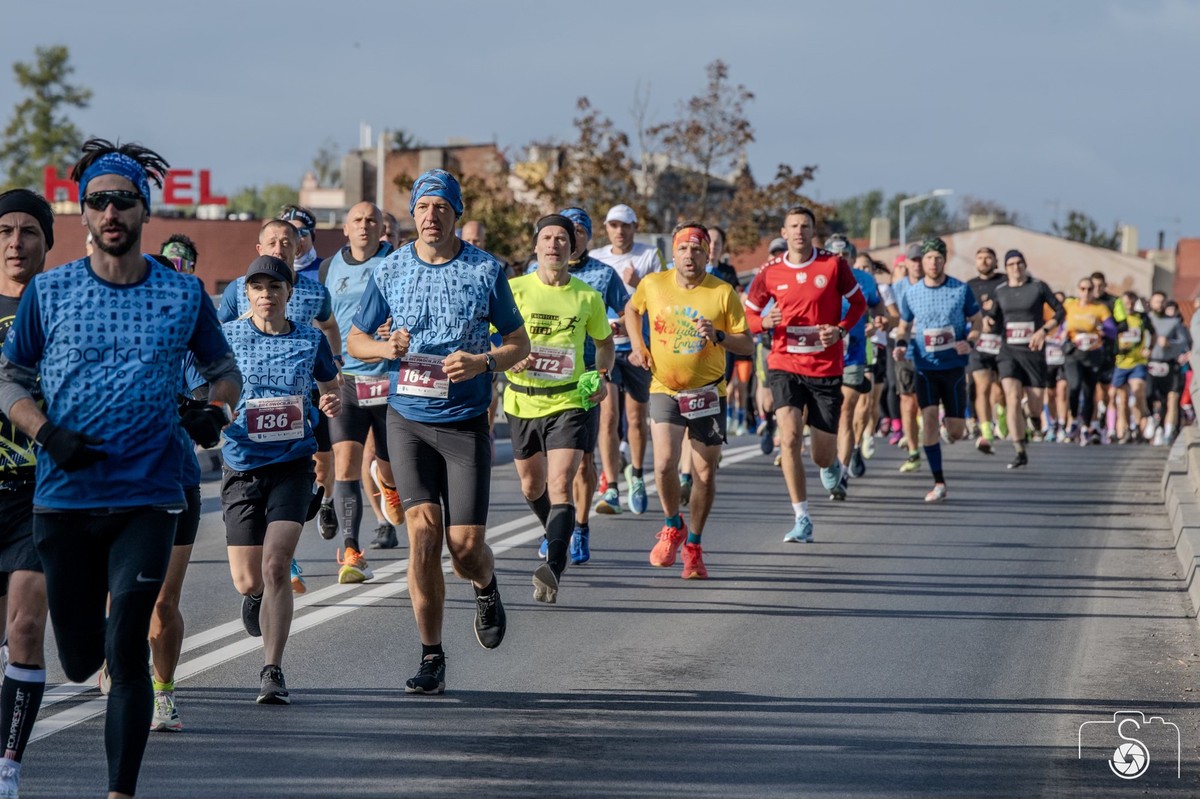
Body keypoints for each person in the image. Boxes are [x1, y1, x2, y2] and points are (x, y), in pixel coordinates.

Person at [0, 139, 241, 799]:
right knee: (79, 659)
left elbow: (225, 375)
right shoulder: (49, 293)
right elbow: (10, 381)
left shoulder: (183, 293)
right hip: (64, 495)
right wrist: (47, 431)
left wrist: (210, 410)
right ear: (83, 213)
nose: (111, 210)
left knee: (126, 645)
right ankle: (84, 660)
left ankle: (120, 791)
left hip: (149, 493)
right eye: (99, 200)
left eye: (124, 200)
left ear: (144, 209)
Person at [348, 169, 530, 694]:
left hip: (465, 422)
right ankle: (431, 654)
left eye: (441, 208)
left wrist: (483, 362)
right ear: (413, 213)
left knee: (465, 547)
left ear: (456, 213)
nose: (431, 217)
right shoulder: (390, 270)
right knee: (423, 536)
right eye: (423, 208)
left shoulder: (485, 270)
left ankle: (486, 585)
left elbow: (519, 345)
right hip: (406, 418)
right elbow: (357, 341)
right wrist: (387, 350)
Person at [222, 255, 341, 704]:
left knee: (277, 567)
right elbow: (208, 385)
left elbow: (332, 385)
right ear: (245, 295)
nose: (266, 295)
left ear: (289, 294)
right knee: (247, 579)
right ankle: (255, 597)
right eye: (257, 288)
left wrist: (330, 403)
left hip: (292, 462)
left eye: (274, 288)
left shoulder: (310, 339)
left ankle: (272, 669)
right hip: (241, 464)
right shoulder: (227, 336)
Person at [219, 219, 341, 590]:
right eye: (271, 241)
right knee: (245, 581)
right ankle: (259, 588)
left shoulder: (313, 298)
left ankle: (321, 504)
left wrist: (331, 394)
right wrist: (219, 409)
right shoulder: (233, 313)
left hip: (296, 427)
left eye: (285, 241)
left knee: (322, 467)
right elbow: (211, 361)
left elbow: (329, 369)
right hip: (244, 450)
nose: (278, 246)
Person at [627, 223, 752, 577]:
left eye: (697, 250)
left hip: (708, 392)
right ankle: (672, 526)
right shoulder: (653, 284)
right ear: (673, 253)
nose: (690, 256)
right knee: (664, 463)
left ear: (707, 254)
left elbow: (747, 344)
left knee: (704, 474)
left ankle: (694, 545)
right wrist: (638, 345)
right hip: (665, 387)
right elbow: (632, 310)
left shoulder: (722, 293)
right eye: (683, 249)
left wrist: (720, 335)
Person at [744, 207, 866, 542]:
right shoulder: (770, 271)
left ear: (814, 232)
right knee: (790, 436)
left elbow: (858, 305)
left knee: (821, 453)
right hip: (785, 365)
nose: (799, 231)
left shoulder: (833, 264)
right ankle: (802, 517)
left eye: (806, 226)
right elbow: (750, 314)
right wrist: (764, 323)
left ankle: (830, 466)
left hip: (826, 367)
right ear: (784, 232)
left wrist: (840, 331)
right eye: (794, 226)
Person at [507, 215, 613, 600]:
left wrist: (602, 374)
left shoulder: (587, 296)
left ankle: (552, 564)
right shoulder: (514, 290)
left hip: (570, 400)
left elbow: (604, 344)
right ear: (536, 246)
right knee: (531, 485)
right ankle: (557, 533)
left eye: (562, 239)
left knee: (560, 482)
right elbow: (489, 339)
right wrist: (507, 356)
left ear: (574, 248)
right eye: (547, 238)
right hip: (521, 400)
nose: (554, 245)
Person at [532, 207, 628, 565]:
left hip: (586, 373)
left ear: (582, 238)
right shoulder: (532, 272)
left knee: (580, 463)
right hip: (539, 381)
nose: (565, 240)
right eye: (557, 234)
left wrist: (629, 336)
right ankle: (556, 525)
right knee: (541, 472)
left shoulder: (602, 276)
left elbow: (628, 308)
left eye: (576, 232)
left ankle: (580, 528)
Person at [0, 190, 55, 798]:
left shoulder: (63, 306)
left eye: (28, 232)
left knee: (25, 627)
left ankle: (8, 767)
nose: (16, 242)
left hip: (41, 490)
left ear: (47, 242)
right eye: (5, 231)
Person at [316, 202, 402, 576]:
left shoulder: (399, 261)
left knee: (387, 465)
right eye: (357, 220)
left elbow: (415, 310)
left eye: (372, 220)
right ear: (345, 229)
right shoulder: (327, 268)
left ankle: (391, 484)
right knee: (347, 466)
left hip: (389, 378)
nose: (365, 225)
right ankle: (351, 549)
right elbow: (321, 322)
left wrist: (397, 326)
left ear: (382, 227)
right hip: (347, 380)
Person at [145, 234, 207, 732]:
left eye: (180, 269)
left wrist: (205, 407)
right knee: (124, 598)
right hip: (121, 484)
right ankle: (118, 657)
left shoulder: (191, 331)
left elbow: (212, 387)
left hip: (178, 478)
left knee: (165, 600)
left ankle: (163, 694)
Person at [892, 237, 982, 502]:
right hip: (924, 366)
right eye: (928, 258)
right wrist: (900, 344)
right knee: (928, 416)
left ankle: (950, 427)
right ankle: (939, 482)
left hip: (953, 367)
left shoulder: (960, 289)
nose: (932, 263)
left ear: (945, 260)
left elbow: (977, 320)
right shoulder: (912, 292)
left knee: (956, 432)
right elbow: (904, 325)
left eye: (938, 258)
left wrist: (971, 340)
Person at [589, 203, 663, 516]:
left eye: (626, 226)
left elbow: (660, 300)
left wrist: (635, 285)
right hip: (605, 346)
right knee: (607, 416)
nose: (620, 231)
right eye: (614, 226)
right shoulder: (596, 258)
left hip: (636, 347)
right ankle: (612, 486)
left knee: (635, 418)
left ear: (634, 228)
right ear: (606, 228)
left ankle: (635, 472)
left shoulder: (649, 256)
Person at [988, 250, 1065, 467]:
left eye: (1019, 263)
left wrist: (1044, 330)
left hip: (1033, 352)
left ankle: (1029, 415)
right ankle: (1019, 449)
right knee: (1011, 396)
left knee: (1035, 407)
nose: (1015, 267)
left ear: (1025, 264)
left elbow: (1060, 311)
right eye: (1010, 264)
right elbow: (992, 318)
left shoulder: (1038, 287)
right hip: (1008, 352)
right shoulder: (1000, 290)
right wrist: (987, 323)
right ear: (1005, 267)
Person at [825, 236, 889, 482]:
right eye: (835, 256)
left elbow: (878, 308)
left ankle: (841, 471)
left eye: (845, 256)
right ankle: (828, 454)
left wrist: (879, 320)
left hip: (854, 355)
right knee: (822, 414)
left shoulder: (864, 281)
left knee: (846, 411)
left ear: (852, 258)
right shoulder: (818, 280)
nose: (840, 260)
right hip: (821, 357)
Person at [1062, 279, 1117, 445]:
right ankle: (1073, 420)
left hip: (1093, 354)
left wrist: (1103, 328)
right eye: (1083, 288)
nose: (1086, 292)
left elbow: (1113, 331)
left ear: (1093, 291)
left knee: (1088, 391)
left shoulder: (1099, 308)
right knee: (1074, 386)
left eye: (1089, 289)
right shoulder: (1070, 306)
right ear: (1078, 290)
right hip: (1073, 353)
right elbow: (1060, 326)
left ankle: (1086, 425)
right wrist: (1060, 334)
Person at [966, 247, 1006, 453]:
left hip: (1002, 342)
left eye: (988, 257)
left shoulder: (1004, 282)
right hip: (979, 343)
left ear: (995, 261)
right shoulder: (969, 286)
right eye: (980, 257)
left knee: (1000, 390)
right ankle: (986, 430)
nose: (984, 261)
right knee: (982, 387)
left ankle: (1001, 413)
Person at [890, 244, 925, 472]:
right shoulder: (898, 287)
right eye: (913, 260)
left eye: (921, 260)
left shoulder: (937, 286)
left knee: (926, 401)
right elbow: (893, 317)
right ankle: (913, 450)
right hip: (904, 348)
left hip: (931, 350)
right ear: (907, 263)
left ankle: (925, 433)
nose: (918, 264)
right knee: (907, 400)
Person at [1146, 298, 1191, 445]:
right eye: (1156, 302)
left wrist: (1170, 344)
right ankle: (1153, 420)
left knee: (1172, 398)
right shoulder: (1146, 320)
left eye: (1161, 302)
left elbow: (1184, 342)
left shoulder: (1175, 323)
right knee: (1152, 398)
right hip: (1152, 364)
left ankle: (1168, 431)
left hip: (1170, 364)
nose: (1159, 305)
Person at [1112, 290, 1152, 443]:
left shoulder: (1141, 317)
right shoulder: (1118, 318)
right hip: (1121, 362)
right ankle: (1127, 429)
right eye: (1125, 302)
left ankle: (1140, 424)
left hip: (1138, 362)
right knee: (1122, 399)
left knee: (1138, 391)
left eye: (1131, 302)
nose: (1128, 305)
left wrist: (1150, 347)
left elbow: (1152, 334)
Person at [281, 204, 321, 280]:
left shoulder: (328, 270)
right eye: (289, 233)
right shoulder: (273, 270)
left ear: (312, 235)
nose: (296, 239)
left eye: (302, 232)